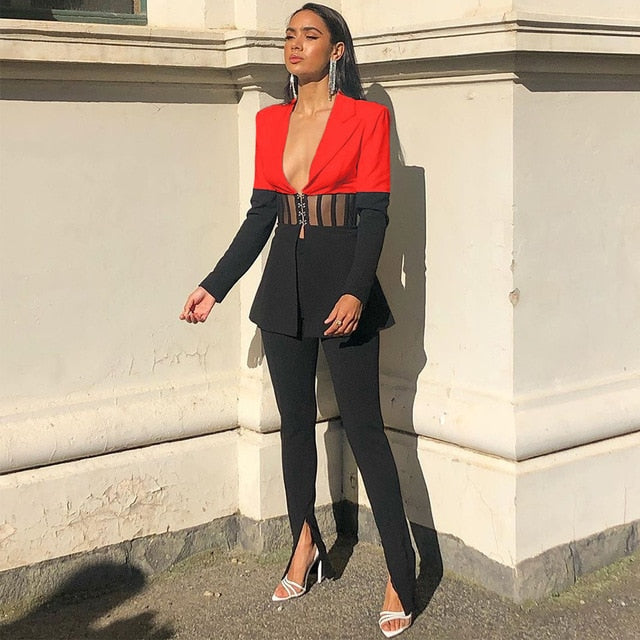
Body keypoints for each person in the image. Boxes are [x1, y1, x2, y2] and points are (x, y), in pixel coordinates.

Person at [180, 4, 415, 637]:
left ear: (336, 51)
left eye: (309, 35)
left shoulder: (367, 117)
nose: (295, 44)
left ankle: (401, 568)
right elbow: (261, 216)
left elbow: (375, 215)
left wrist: (357, 291)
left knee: (365, 430)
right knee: (294, 428)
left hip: (344, 287)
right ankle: (304, 542)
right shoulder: (269, 121)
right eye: (289, 35)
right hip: (283, 287)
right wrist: (215, 285)